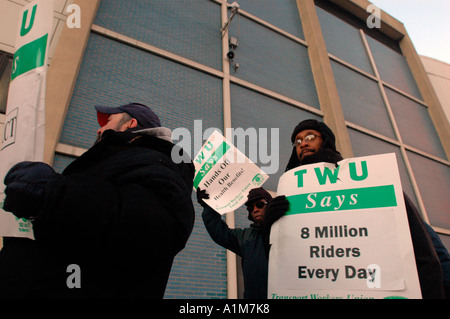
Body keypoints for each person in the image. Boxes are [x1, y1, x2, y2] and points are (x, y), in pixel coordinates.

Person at [0, 102, 195, 298]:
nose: (99, 128)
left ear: (130, 124)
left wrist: (52, 194)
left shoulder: (156, 162)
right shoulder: (121, 161)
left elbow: (156, 226)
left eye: (108, 121)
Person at [273, 118, 445, 299]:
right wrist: (270, 226)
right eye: (297, 141)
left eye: (310, 136)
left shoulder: (371, 179)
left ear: (325, 141)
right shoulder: (288, 196)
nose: (303, 143)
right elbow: (284, 260)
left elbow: (424, 254)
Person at [197, 187, 283, 299]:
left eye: (260, 204)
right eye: (251, 207)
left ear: (270, 205)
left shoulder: (283, 230)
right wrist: (209, 207)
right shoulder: (245, 237)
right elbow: (219, 233)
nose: (255, 210)